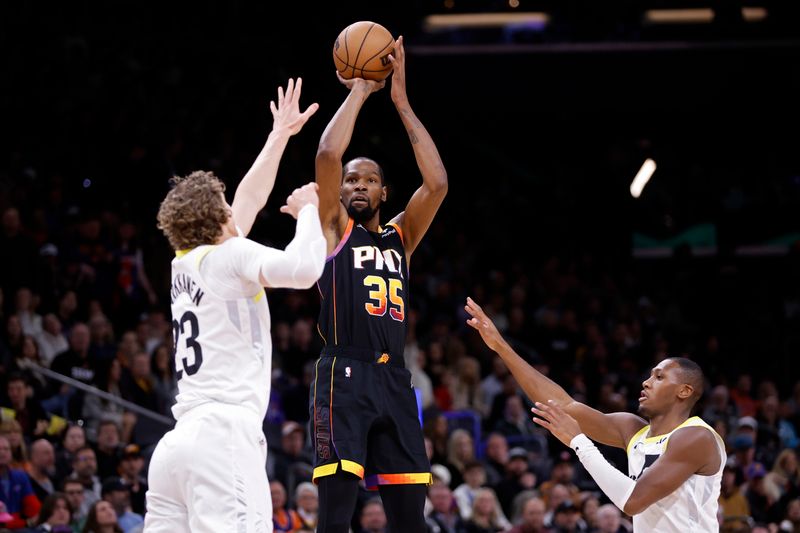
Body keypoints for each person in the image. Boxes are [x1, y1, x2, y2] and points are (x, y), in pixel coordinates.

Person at [143, 78, 324, 533]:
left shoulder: (184, 263)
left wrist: (278, 136)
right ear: (218, 217)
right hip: (222, 438)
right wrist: (308, 212)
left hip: (177, 446)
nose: (233, 208)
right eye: (225, 204)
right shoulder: (231, 256)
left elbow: (248, 199)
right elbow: (304, 270)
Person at [311, 35, 448, 533]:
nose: (357, 186)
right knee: (336, 518)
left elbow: (437, 185)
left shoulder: (401, 238)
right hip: (343, 376)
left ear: (384, 192)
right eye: (351, 180)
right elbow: (328, 151)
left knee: (411, 519)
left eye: (368, 180)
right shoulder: (334, 230)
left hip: (395, 381)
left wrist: (402, 103)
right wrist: (360, 92)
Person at [464, 297, 726, 532]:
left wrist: (579, 443)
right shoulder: (632, 429)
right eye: (649, 376)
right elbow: (562, 404)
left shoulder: (696, 437)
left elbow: (633, 502)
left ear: (684, 391)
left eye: (659, 377)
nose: (646, 382)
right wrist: (500, 347)